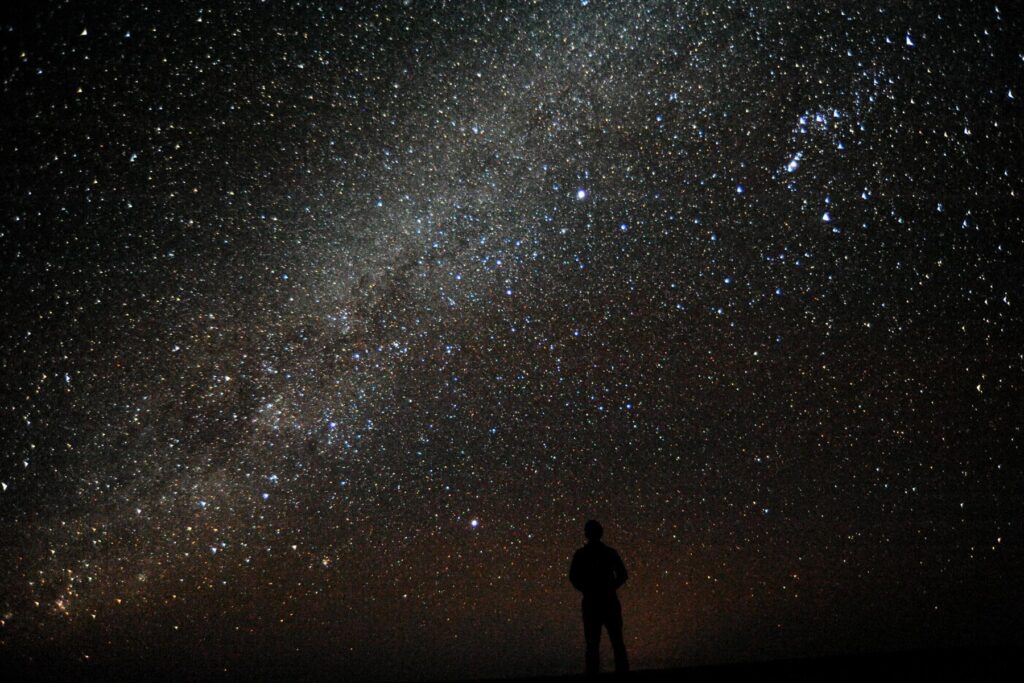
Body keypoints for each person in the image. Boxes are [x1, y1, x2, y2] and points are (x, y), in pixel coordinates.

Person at [569, 520, 629, 675]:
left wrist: (586, 589)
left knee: (592, 643)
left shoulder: (581, 554)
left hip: (591, 602)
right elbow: (623, 575)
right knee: (617, 642)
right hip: (609, 600)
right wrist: (610, 588)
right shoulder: (610, 552)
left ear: (586, 534)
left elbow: (573, 577)